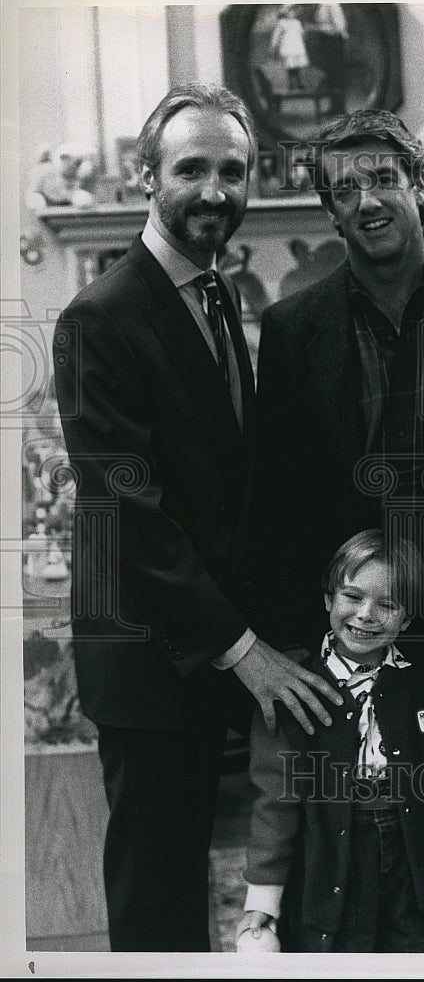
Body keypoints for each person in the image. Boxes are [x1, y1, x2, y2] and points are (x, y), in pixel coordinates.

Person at [53, 83, 342, 952]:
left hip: (221, 637)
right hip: (149, 655)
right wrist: (243, 649)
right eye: (192, 169)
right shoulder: (99, 318)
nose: (214, 190)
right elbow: (124, 512)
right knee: (159, 891)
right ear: (148, 177)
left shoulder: (218, 297)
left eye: (232, 170)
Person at [253, 108, 424, 654]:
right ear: (330, 212)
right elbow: (279, 500)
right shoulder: (291, 329)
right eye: (345, 190)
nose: (367, 202)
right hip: (355, 625)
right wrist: (291, 638)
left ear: (418, 186)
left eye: (383, 180)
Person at [236, 528, 424, 953]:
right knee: (343, 948)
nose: (366, 615)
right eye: (352, 597)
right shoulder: (293, 689)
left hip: (415, 856)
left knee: (416, 948)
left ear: (405, 619)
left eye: (387, 604)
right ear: (328, 599)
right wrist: (263, 900)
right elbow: (276, 802)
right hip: (331, 857)